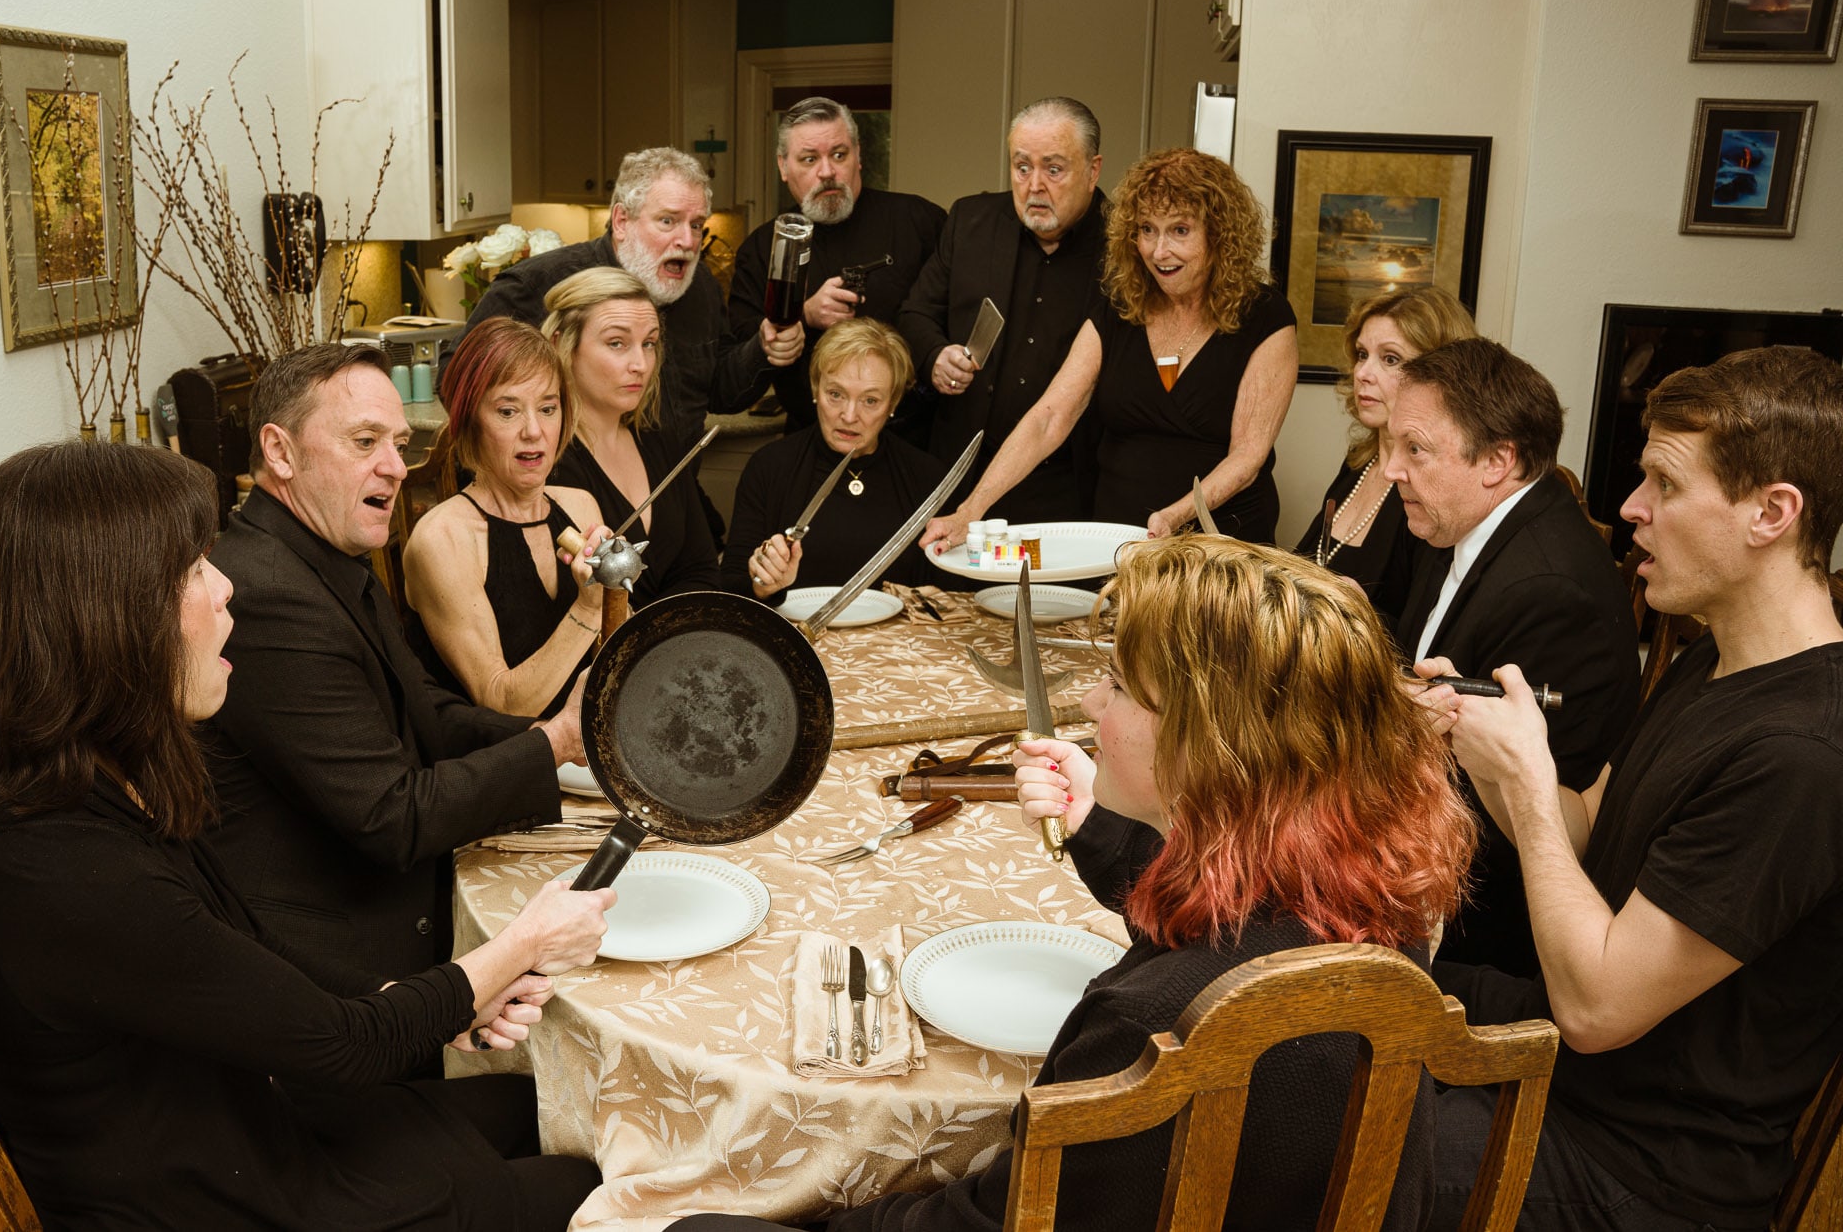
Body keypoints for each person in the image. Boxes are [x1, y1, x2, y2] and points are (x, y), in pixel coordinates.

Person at [0, 438, 617, 1231]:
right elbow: (345, 1045)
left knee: (564, 1104)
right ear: (100, 617)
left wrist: (451, 998)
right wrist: (520, 945)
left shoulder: (81, 785)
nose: (225, 587)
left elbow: (247, 989)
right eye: (192, 570)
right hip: (224, 1195)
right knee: (594, 1180)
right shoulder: (61, 869)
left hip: (249, 1114)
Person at [673, 536, 1474, 1232]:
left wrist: (827, 1215)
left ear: (1212, 746)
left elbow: (997, 1218)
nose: (1090, 700)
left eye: (1121, 685)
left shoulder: (1156, 1024)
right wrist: (1098, 817)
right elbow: (1219, 923)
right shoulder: (1375, 903)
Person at [1423, 347, 1843, 1231]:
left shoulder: (1803, 753)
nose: (1630, 508)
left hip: (1638, 1176)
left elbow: (1598, 1007)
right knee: (1316, 973)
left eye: (1663, 481)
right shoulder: (1710, 663)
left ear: (1773, 512)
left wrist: (1533, 790)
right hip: (1569, 1083)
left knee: (1296, 1118)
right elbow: (1583, 837)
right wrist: (1499, 753)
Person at [200, 343, 583, 981]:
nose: (395, 467)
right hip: (343, 962)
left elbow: (420, 706)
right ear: (280, 451)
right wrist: (553, 742)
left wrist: (568, 742)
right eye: (364, 442)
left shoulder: (321, 549)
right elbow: (392, 817)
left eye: (398, 443)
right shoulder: (267, 594)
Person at [1384, 336, 1638, 977]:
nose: (1393, 469)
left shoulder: (1548, 590)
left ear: (1497, 459)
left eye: (1415, 448)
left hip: (1486, 932)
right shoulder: (1457, 518)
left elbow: (1502, 830)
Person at [920, 148, 1297, 549]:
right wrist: (970, 511)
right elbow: (1049, 418)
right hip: (1119, 543)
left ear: (1220, 235)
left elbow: (1247, 458)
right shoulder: (1121, 308)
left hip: (1221, 547)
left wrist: (1176, 515)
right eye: (1147, 230)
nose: (1159, 251)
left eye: (1180, 231)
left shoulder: (1265, 316)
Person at [467, 147, 798, 454]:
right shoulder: (539, 284)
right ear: (622, 221)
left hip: (674, 491)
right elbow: (460, 383)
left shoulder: (701, 289)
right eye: (668, 221)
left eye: (696, 225)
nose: (687, 240)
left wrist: (764, 348)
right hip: (569, 498)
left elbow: (721, 392)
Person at [899, 97, 1111, 522]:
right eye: (1021, 167)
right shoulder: (970, 221)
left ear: (1092, 171)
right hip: (962, 472)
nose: (1034, 185)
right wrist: (935, 356)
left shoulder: (1125, 243)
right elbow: (914, 314)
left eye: (1053, 169)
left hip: (1070, 482)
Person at [403, 316, 611, 719]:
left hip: (583, 744)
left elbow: (615, 655)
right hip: (499, 764)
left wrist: (618, 596)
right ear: (469, 421)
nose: (534, 431)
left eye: (548, 408)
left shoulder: (581, 506)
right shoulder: (443, 538)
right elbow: (501, 703)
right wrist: (588, 608)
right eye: (507, 411)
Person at [728, 96, 945, 439]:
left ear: (858, 156)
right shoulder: (761, 249)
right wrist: (802, 314)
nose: (827, 171)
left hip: (915, 440)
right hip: (809, 444)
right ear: (783, 166)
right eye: (809, 159)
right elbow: (739, 375)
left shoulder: (919, 221)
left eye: (839, 155)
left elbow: (951, 319)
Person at [722, 317, 948, 601]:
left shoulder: (928, 477)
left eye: (870, 401)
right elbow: (731, 589)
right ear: (815, 388)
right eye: (836, 394)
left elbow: (951, 594)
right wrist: (762, 584)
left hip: (904, 643)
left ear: (893, 403)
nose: (849, 416)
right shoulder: (768, 467)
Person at [1291, 285, 1477, 628]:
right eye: (1362, 354)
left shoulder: (1434, 485)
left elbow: (1424, 636)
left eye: (1390, 359)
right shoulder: (1358, 462)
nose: (1363, 373)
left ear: (1439, 374)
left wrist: (1359, 615)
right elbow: (1304, 562)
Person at [545, 266, 721, 608]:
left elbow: (701, 570)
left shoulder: (659, 441)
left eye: (649, 343)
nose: (640, 363)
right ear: (561, 345)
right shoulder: (546, 462)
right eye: (617, 343)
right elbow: (564, 600)